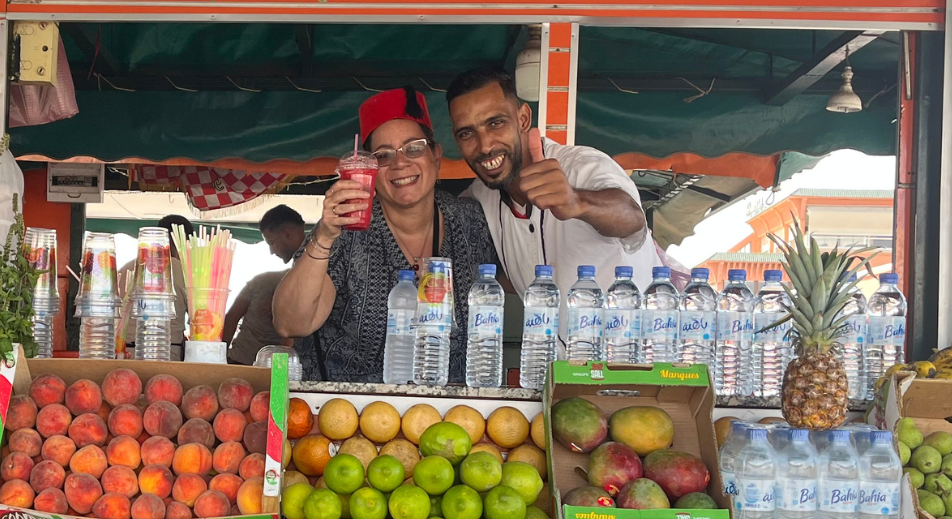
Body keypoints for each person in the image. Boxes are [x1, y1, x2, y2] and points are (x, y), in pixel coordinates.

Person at [273, 87, 498, 382]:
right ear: (370, 170)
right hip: (344, 417)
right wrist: (325, 236)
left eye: (414, 148)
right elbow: (290, 324)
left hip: (447, 415)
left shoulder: (471, 221)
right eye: (383, 155)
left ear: (436, 157)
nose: (400, 163)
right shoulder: (345, 228)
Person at [446, 67, 659, 316]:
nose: (485, 146)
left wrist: (578, 201)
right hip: (552, 352)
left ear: (523, 118)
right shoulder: (480, 196)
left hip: (626, 351)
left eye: (495, 123)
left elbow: (632, 219)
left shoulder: (582, 165)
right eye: (467, 133)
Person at [224, 205, 306, 366]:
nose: (271, 251)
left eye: (271, 242)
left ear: (287, 234)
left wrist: (279, 372)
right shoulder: (263, 281)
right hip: (251, 363)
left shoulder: (309, 275)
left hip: (273, 368)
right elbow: (231, 318)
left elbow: (291, 332)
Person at [119, 214, 194, 361]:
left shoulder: (128, 268)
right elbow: (198, 321)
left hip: (124, 352)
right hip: (165, 352)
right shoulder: (185, 271)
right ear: (185, 242)